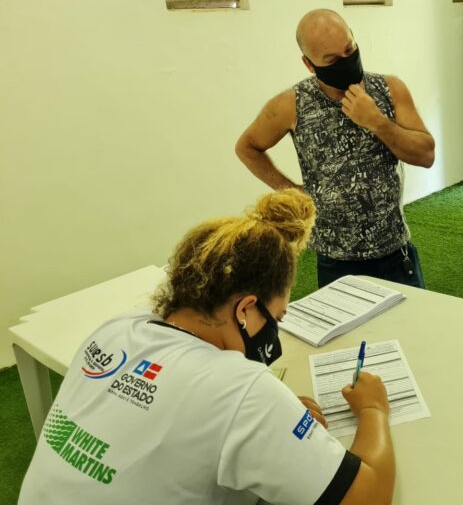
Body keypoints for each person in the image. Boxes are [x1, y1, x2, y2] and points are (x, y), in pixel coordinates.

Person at [19, 189, 395, 505]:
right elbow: (369, 495)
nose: (274, 333)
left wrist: (273, 417)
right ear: (246, 310)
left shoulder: (119, 328)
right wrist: (374, 408)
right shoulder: (240, 389)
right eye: (276, 318)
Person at [236, 8, 435, 289]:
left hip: (394, 250)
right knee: (349, 335)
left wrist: (377, 122)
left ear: (353, 38)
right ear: (309, 64)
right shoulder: (291, 104)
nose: (345, 62)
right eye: (331, 60)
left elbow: (426, 154)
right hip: (336, 259)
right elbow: (247, 147)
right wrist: (289, 189)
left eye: (349, 50)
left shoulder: (390, 89)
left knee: (413, 330)